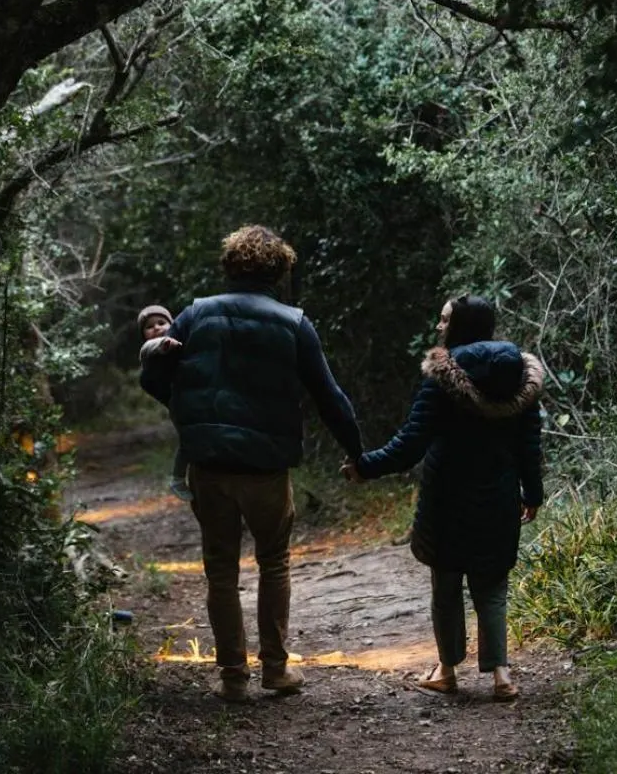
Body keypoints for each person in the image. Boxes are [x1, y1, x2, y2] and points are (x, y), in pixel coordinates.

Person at [141, 225, 363, 703]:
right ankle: (276, 670)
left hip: (210, 464)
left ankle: (233, 677)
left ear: (228, 266)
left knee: (221, 571)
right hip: (265, 467)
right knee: (273, 563)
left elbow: (154, 374)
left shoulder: (196, 314)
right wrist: (358, 452)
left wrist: (187, 411)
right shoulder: (293, 323)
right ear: (280, 271)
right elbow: (330, 398)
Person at [343, 295, 545, 701]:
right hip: (499, 496)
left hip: (447, 498)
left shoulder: (440, 378)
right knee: (492, 586)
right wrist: (533, 493)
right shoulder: (518, 378)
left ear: (462, 326)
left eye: (445, 319)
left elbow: (410, 444)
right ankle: (501, 676)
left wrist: (365, 467)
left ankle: (447, 670)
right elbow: (529, 446)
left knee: (447, 585)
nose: (439, 326)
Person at [137, 304, 191, 501]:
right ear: (143, 334)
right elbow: (154, 347)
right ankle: (177, 478)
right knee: (187, 440)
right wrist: (166, 344)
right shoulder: (149, 349)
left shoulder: (182, 338)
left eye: (162, 323)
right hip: (178, 404)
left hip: (187, 397)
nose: (157, 328)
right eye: (149, 326)